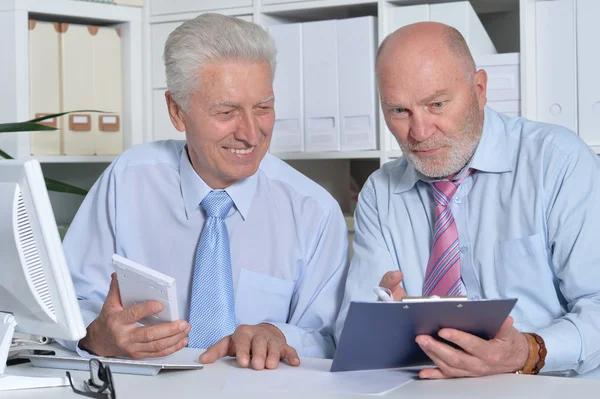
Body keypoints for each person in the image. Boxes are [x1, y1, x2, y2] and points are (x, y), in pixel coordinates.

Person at [60, 13, 349, 370]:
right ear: (177, 112)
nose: (251, 133)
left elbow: (330, 338)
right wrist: (95, 336)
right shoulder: (127, 180)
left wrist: (278, 334)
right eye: (226, 112)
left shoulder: (314, 211)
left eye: (263, 108)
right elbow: (68, 300)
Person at [335, 22, 600, 378]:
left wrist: (529, 350)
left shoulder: (558, 162)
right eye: (399, 111)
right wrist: (382, 330)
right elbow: (350, 334)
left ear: (479, 89)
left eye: (437, 104)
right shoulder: (380, 194)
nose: (420, 132)